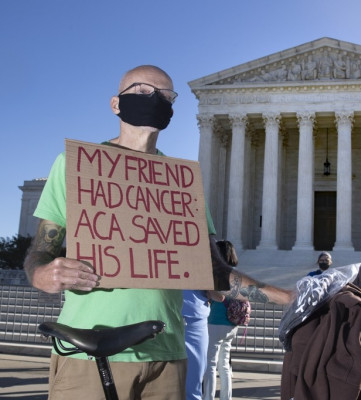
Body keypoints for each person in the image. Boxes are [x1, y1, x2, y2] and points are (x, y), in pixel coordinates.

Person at [23, 65, 294, 400]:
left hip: (167, 355)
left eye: (166, 96)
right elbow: (39, 252)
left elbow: (213, 272)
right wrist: (42, 274)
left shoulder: (182, 183)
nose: (155, 100)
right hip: (93, 353)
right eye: (142, 91)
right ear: (115, 104)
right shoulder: (75, 165)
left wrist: (289, 297)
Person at [203, 240, 240, 400]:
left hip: (216, 320)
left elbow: (219, 296)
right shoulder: (237, 273)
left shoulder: (219, 273)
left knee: (210, 364)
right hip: (231, 323)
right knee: (224, 365)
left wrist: (207, 290)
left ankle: (208, 397)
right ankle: (226, 397)